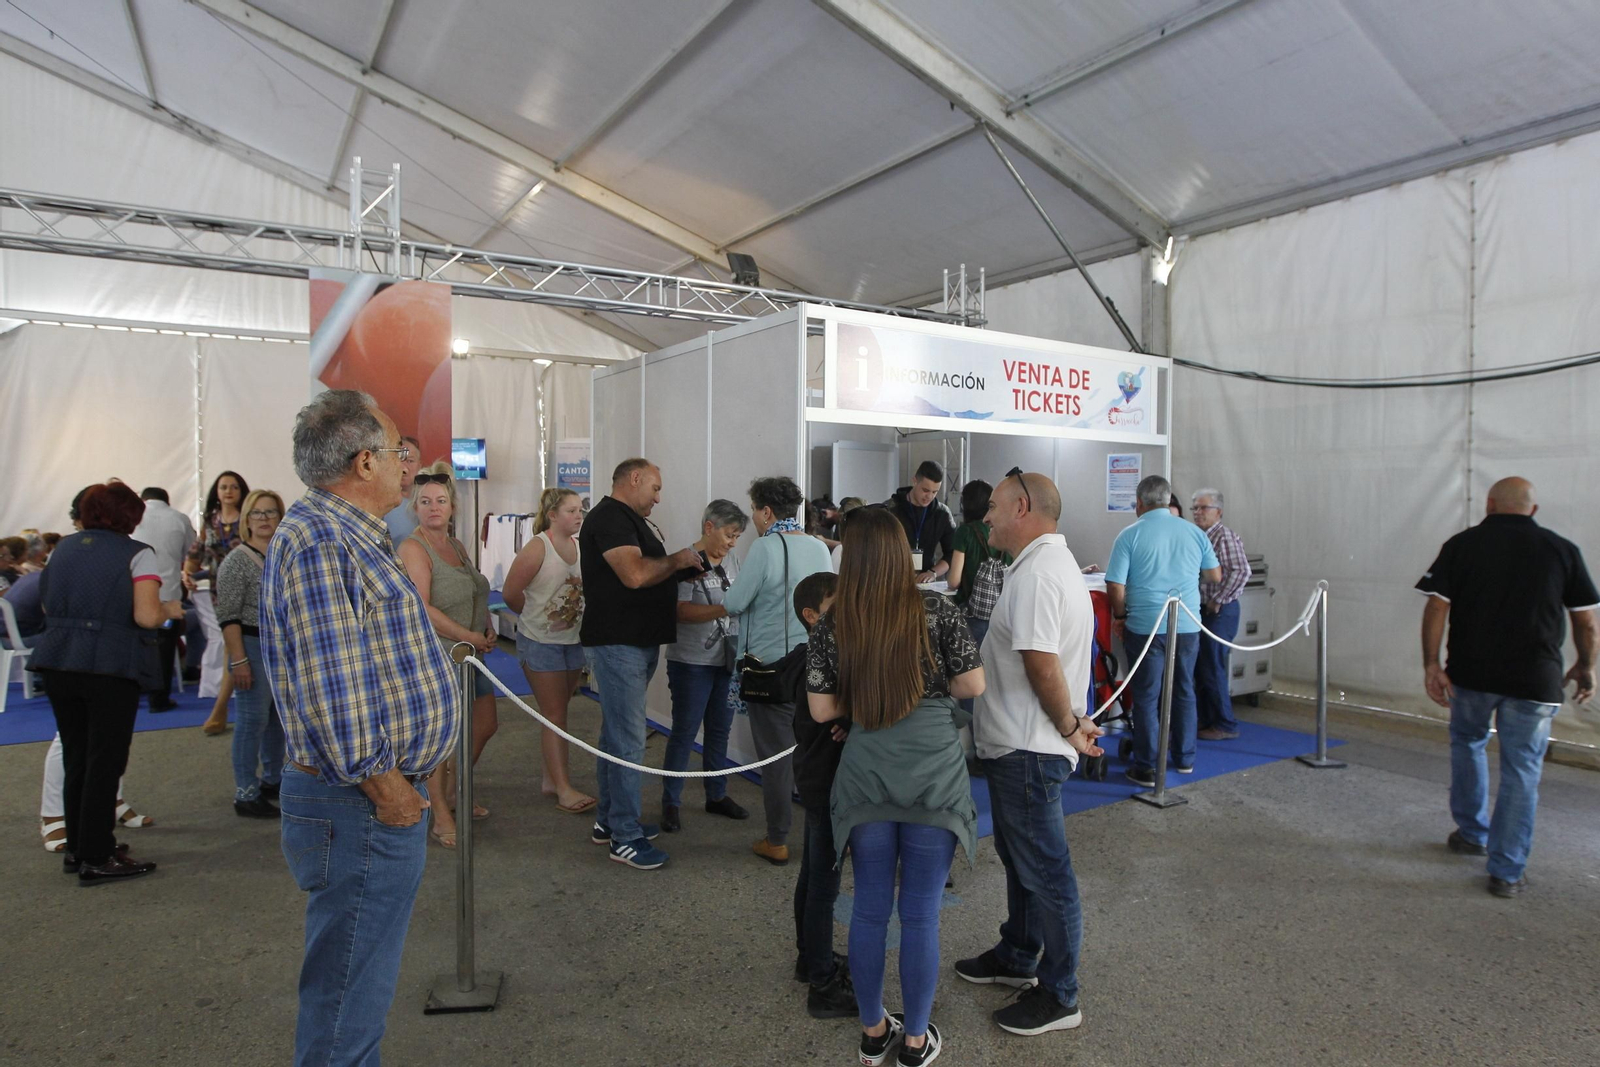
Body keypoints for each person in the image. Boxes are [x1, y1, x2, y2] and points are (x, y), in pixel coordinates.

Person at [262, 390, 458, 1066]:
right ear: (365, 461)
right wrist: (388, 789)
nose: (410, 464)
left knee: (354, 985)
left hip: (365, 801)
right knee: (348, 995)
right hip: (360, 804)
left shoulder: (347, 532)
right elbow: (332, 686)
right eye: (399, 450)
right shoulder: (321, 539)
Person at [807, 506, 984, 1067]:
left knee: (868, 909)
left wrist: (868, 695)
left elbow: (821, 710)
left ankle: (873, 1031)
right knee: (921, 913)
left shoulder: (835, 622)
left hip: (866, 772)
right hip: (934, 772)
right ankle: (915, 1041)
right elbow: (972, 683)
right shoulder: (938, 610)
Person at [956, 470, 1101, 1037]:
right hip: (1019, 746)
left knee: (1046, 871)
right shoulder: (1037, 566)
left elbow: (1042, 664)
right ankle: (1018, 953)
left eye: (993, 507)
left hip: (1029, 749)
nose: (985, 517)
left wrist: (1068, 726)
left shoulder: (1039, 574)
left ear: (1022, 508)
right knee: (1023, 862)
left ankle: (1060, 995)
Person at [1416, 476, 1597, 898]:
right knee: (1522, 769)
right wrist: (1586, 666)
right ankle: (1506, 872)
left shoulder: (1462, 545)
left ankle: (1471, 834)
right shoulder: (1562, 550)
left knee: (1468, 743)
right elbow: (1586, 621)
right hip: (1535, 679)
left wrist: (1431, 664)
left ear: (1490, 504)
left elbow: (1437, 607)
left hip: (1471, 675)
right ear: (1533, 509)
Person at [29, 482, 182, 884]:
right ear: (130, 516)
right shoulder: (138, 554)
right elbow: (147, 616)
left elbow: (46, 603)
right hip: (109, 665)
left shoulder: (61, 550)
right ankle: (98, 855)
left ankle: (80, 847)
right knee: (105, 761)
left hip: (58, 660)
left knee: (77, 757)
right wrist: (169, 609)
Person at [579, 458, 705, 870]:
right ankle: (625, 836)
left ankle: (609, 821)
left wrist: (681, 570)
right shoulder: (611, 518)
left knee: (616, 736)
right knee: (628, 740)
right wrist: (678, 560)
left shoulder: (627, 520)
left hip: (633, 642)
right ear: (634, 479)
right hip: (620, 644)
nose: (658, 497)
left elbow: (643, 576)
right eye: (655, 488)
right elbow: (634, 575)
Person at [723, 475, 832, 866]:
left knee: (775, 760)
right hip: (814, 664)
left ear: (767, 512)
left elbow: (734, 603)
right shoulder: (819, 547)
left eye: (755, 510)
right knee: (816, 755)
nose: (754, 517)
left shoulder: (765, 547)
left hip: (772, 669)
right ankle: (827, 836)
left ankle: (778, 839)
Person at [397, 462, 498, 849]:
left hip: (471, 654)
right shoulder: (413, 548)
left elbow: (474, 589)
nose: (434, 507)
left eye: (440, 500)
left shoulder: (456, 546)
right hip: (439, 655)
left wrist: (486, 626)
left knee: (484, 724)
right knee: (440, 741)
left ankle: (455, 790)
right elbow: (421, 607)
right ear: (415, 507)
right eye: (425, 501)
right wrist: (469, 635)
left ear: (452, 506)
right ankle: (439, 813)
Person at [1105, 474, 1220, 786]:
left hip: (1145, 626)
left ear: (1139, 503)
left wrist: (1120, 615)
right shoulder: (1194, 532)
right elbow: (1214, 575)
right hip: (1187, 624)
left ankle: (1146, 766)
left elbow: (1115, 585)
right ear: (1169, 500)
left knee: (1146, 695)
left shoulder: (1129, 535)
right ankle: (1185, 758)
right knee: (1184, 689)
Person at [659, 498, 752, 832]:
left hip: (726, 660)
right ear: (709, 527)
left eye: (737, 536)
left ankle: (717, 794)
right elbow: (679, 612)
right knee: (684, 732)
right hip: (691, 662)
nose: (733, 542)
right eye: (729, 534)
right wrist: (726, 608)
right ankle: (671, 802)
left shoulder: (734, 561)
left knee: (719, 730)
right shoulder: (686, 562)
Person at [504, 486, 597, 816]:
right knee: (554, 715)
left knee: (559, 713)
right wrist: (534, 619)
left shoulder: (580, 546)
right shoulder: (537, 547)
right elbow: (511, 593)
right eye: (571, 511)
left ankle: (551, 779)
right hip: (540, 642)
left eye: (580, 510)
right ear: (553, 515)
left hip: (572, 641)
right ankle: (563, 787)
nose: (578, 516)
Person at [789, 569, 853, 1018]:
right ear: (813, 616)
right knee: (824, 885)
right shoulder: (819, 656)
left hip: (815, 777)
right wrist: (851, 712)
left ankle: (810, 957)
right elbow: (825, 711)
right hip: (825, 780)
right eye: (836, 605)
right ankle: (823, 984)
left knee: (813, 875)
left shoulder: (817, 652)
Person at [215, 489, 287, 819]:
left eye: (271, 512)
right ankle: (245, 791)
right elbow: (228, 616)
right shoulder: (236, 561)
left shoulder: (283, 556)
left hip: (280, 647)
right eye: (257, 512)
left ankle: (272, 778)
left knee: (277, 720)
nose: (264, 519)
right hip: (251, 645)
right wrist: (239, 660)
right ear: (246, 518)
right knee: (251, 720)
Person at [189, 470, 249, 732]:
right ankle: (223, 709)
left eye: (234, 487)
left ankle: (220, 709)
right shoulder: (210, 523)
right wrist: (186, 575)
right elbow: (194, 555)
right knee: (233, 646)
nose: (228, 491)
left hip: (247, 592)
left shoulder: (249, 519)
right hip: (218, 593)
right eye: (224, 487)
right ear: (217, 491)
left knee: (232, 647)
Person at [1191, 488, 1251, 741]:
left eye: (1203, 508)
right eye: (1195, 508)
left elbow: (1241, 571)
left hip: (1220, 611)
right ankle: (1208, 720)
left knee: (1212, 666)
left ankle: (1225, 723)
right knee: (1202, 666)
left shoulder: (1223, 537)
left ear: (1218, 511)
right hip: (1203, 609)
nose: (1198, 512)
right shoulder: (1200, 536)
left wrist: (1220, 599)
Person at [133, 486, 198, 712]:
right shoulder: (179, 518)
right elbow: (190, 551)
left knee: (135, 645)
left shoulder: (135, 517)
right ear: (167, 501)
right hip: (168, 594)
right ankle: (159, 699)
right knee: (164, 648)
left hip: (137, 594)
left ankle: (134, 693)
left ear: (144, 499)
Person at [945, 480, 1013, 647]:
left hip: (973, 616)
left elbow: (953, 581)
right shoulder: (1006, 530)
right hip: (1004, 617)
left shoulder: (965, 532)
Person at [885, 461, 956, 584]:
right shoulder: (890, 510)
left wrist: (933, 573)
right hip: (893, 581)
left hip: (925, 583)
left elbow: (952, 553)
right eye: (925, 490)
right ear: (914, 481)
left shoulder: (942, 513)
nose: (929, 496)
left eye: (935, 492)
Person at [383, 434, 423, 544]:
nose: (404, 468)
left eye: (410, 461)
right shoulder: (380, 505)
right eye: (399, 460)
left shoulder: (431, 501)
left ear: (419, 466)